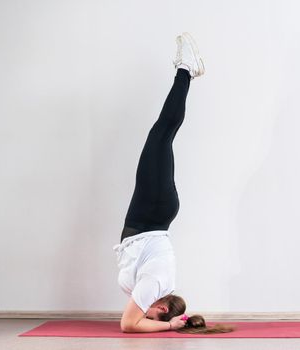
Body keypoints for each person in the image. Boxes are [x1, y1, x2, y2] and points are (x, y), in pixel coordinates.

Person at [113, 33, 232, 334]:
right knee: (162, 133)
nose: (144, 315)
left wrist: (170, 324)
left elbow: (133, 321)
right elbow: (128, 325)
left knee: (162, 134)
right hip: (152, 212)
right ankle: (186, 70)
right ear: (163, 308)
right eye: (152, 316)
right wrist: (168, 328)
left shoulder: (157, 288)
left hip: (152, 215)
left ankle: (186, 71)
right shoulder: (155, 287)